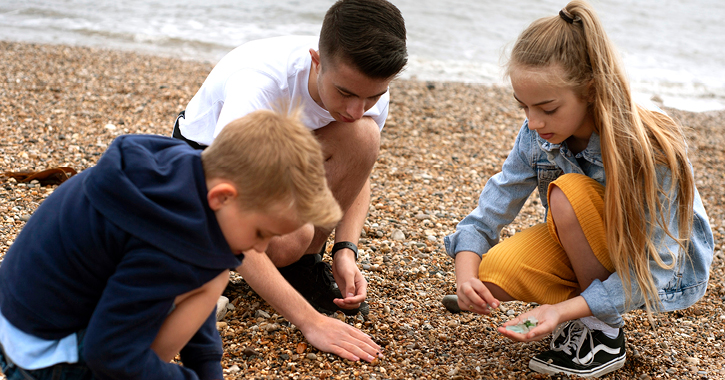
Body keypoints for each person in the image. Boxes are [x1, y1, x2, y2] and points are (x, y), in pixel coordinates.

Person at [0, 109, 382, 380]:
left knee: (215, 262)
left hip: (20, 320)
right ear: (224, 197)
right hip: (43, 355)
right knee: (214, 271)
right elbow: (110, 354)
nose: (263, 247)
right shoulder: (167, 240)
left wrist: (207, 369)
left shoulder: (177, 173)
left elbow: (196, 323)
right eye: (263, 232)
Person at [443, 1, 714, 378]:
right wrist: (466, 277)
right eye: (524, 107)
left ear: (590, 90)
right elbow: (487, 214)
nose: (534, 122)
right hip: (593, 243)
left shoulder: (651, 147)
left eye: (548, 108)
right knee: (491, 274)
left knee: (566, 194)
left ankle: (603, 331)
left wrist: (559, 312)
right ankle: (586, 306)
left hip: (655, 266)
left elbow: (655, 271)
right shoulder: (535, 136)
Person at [172, 0, 407, 317]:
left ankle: (303, 268)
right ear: (317, 61)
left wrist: (345, 251)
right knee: (290, 239)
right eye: (346, 93)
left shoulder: (366, 87)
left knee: (363, 136)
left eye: (373, 96)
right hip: (206, 160)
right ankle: (207, 257)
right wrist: (309, 322)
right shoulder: (259, 84)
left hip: (282, 155)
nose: (357, 109)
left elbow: (356, 170)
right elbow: (227, 202)